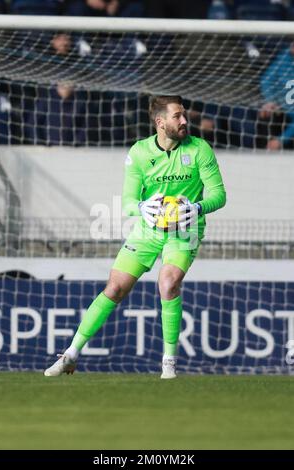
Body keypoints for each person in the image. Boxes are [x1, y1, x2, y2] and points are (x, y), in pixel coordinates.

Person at [44, 95, 226, 379]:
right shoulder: (139, 152)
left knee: (168, 283)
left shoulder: (200, 149)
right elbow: (128, 200)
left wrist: (197, 206)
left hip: (185, 229)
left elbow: (219, 195)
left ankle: (169, 365)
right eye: (177, 116)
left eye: (184, 115)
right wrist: (142, 207)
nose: (184, 121)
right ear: (160, 122)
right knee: (115, 288)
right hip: (147, 229)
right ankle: (70, 355)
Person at [260, 42, 294, 150]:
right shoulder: (284, 58)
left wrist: (281, 140)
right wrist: (271, 101)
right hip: (282, 105)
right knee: (263, 114)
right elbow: (266, 80)